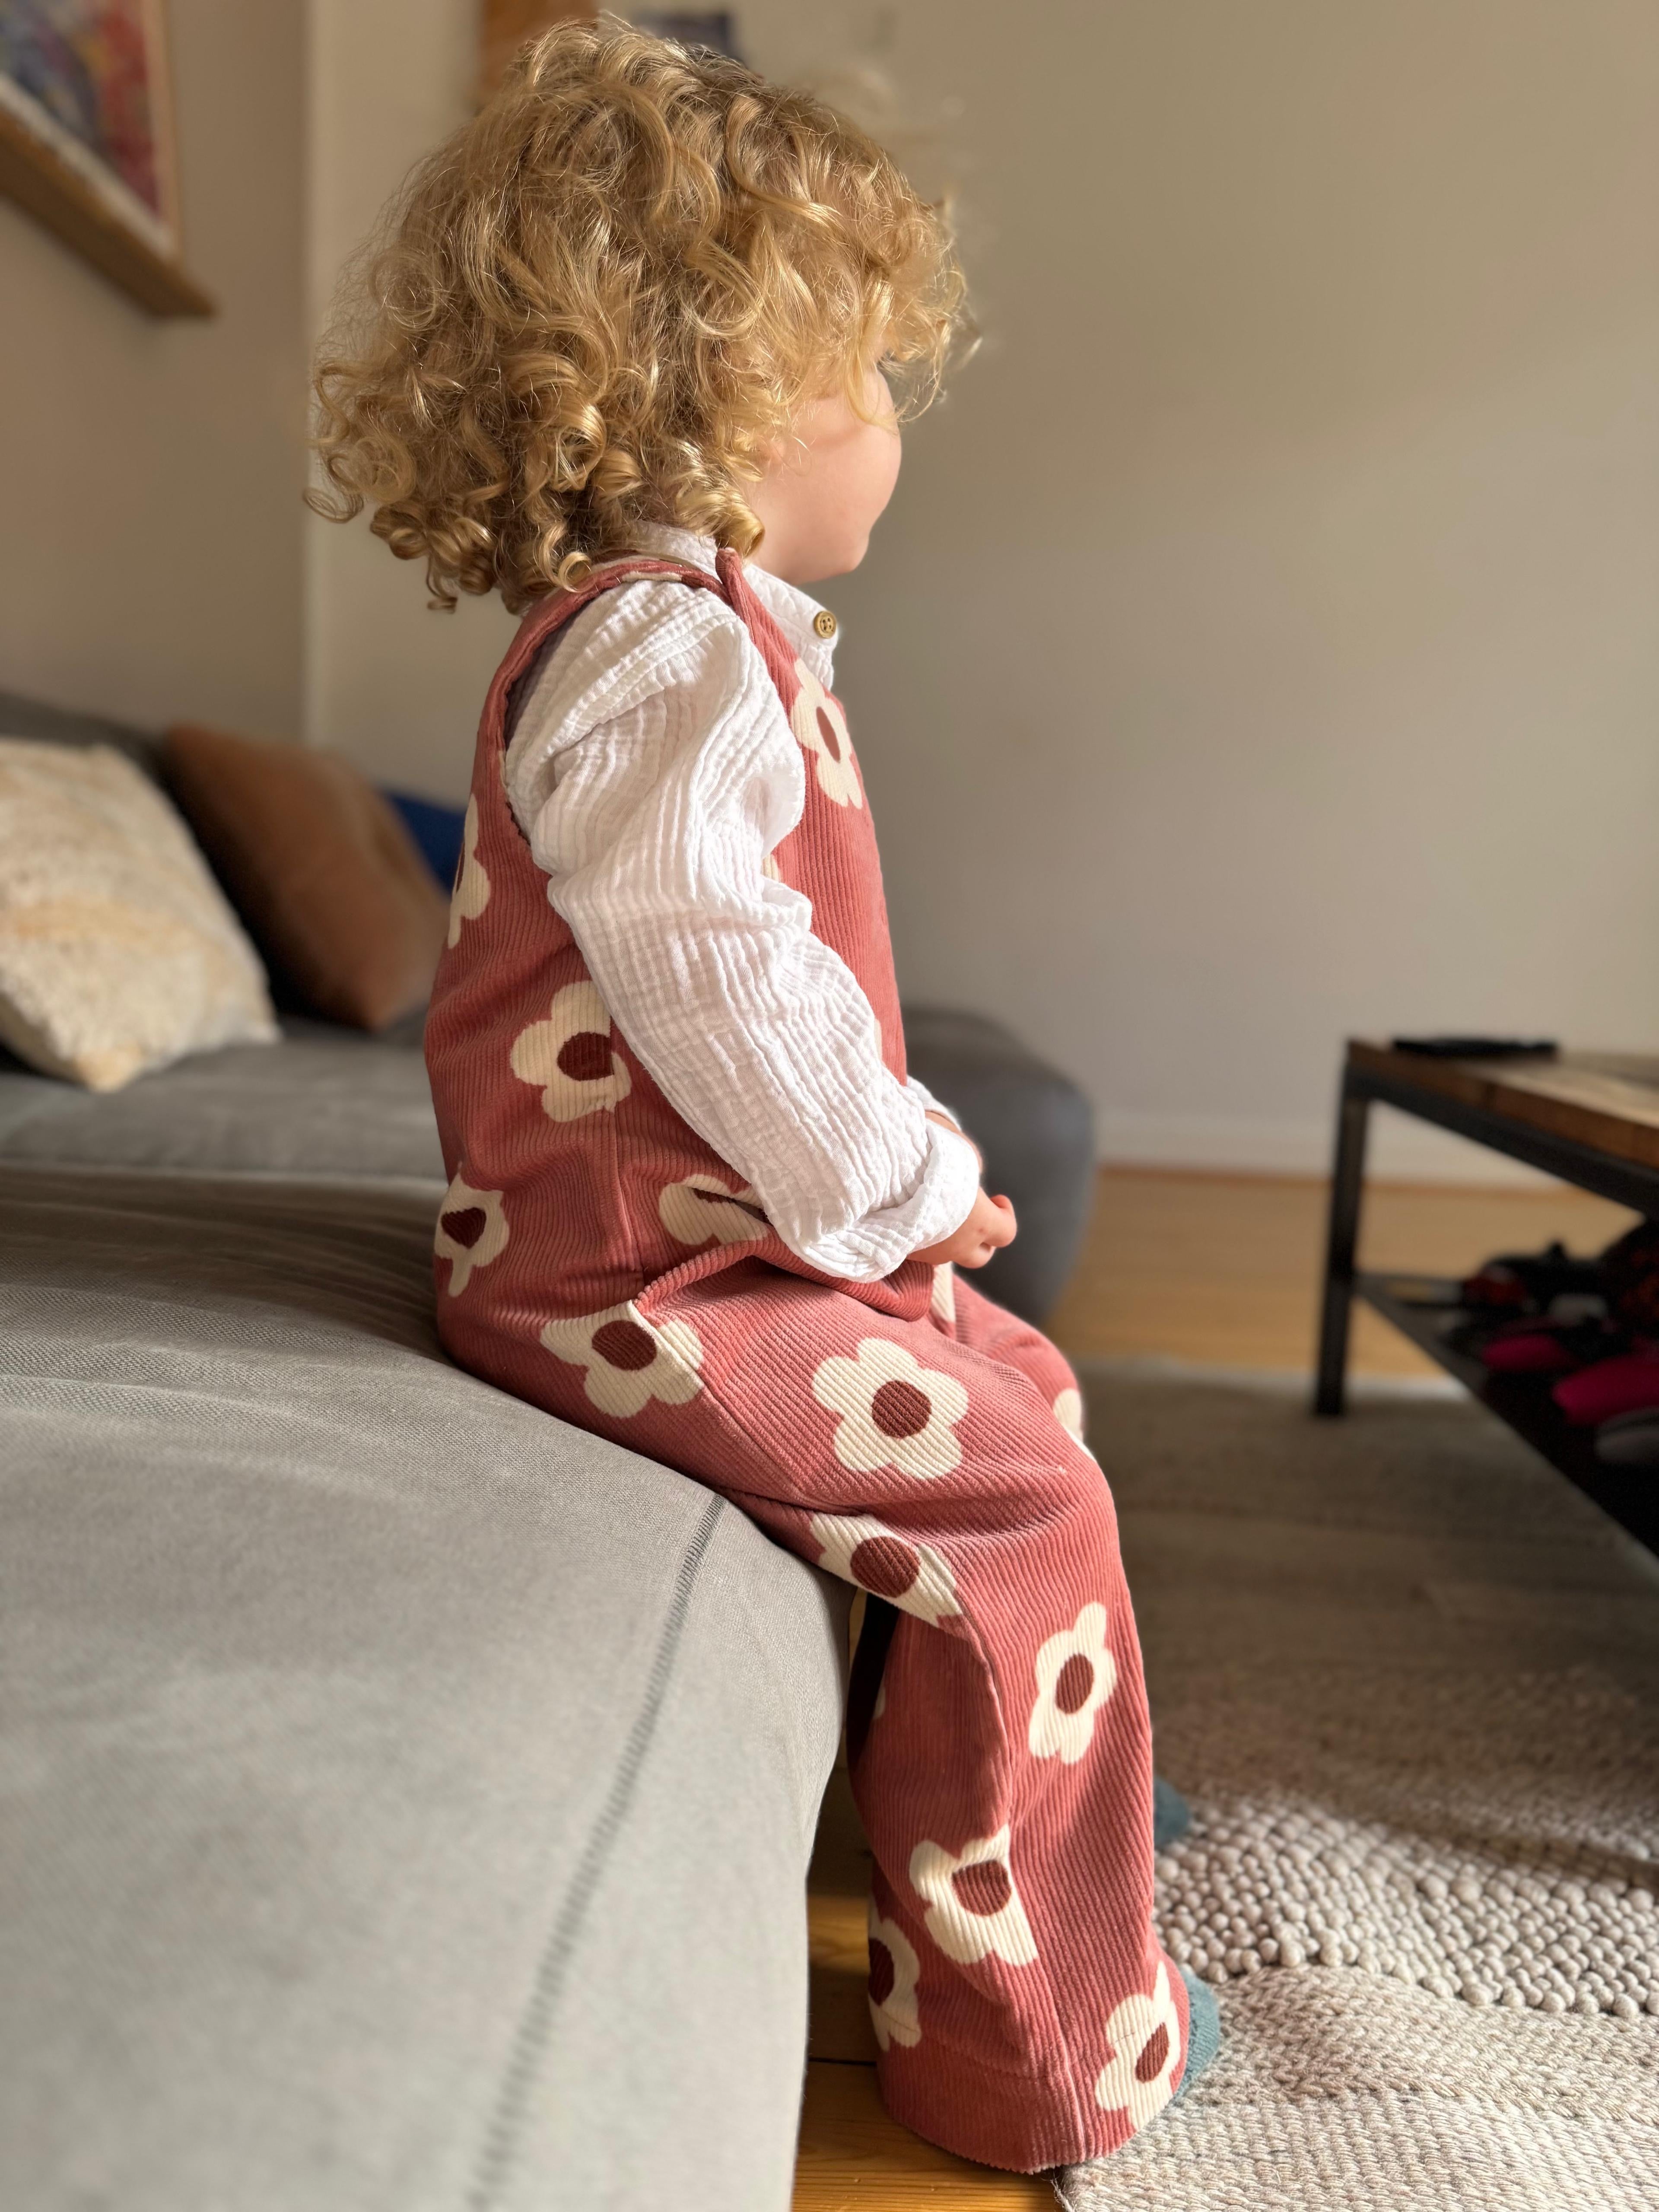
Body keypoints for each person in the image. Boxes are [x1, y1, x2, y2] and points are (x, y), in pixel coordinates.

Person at [311, 18, 1216, 2174]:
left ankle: (1010, 1802)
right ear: (721, 399)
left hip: (680, 1237)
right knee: (1027, 1493)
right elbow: (714, 966)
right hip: (634, 1267)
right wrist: (894, 1179)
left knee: (1032, 1386)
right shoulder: (667, 644)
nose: (894, 424)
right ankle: (1035, 2049)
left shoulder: (702, 632)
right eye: (871, 377)